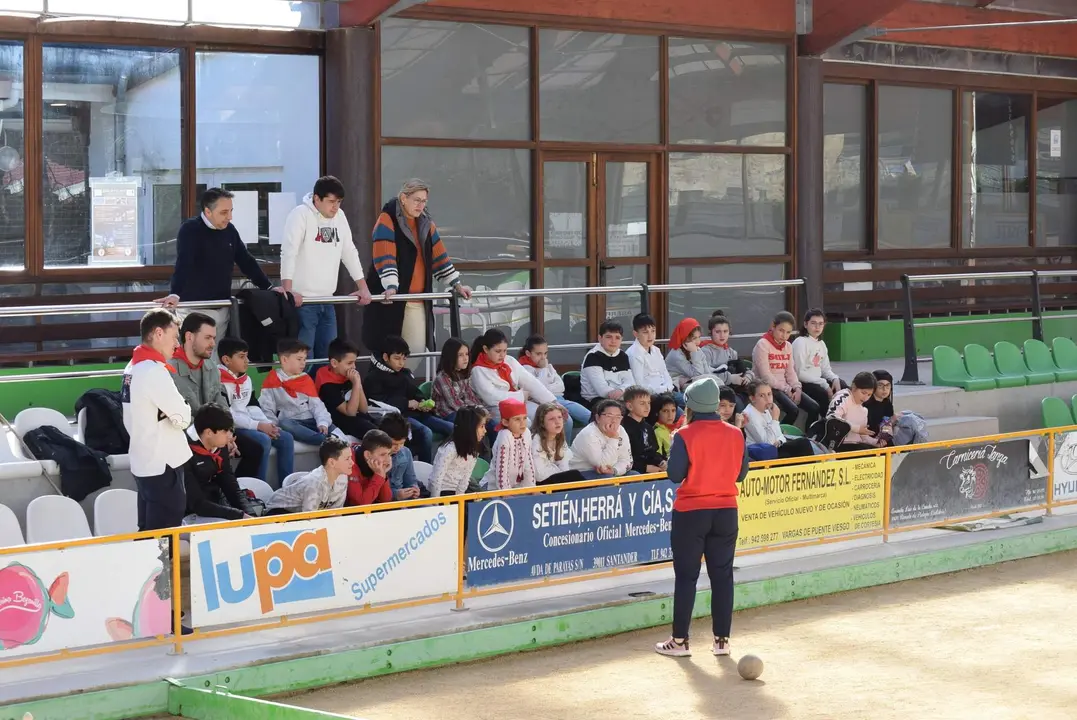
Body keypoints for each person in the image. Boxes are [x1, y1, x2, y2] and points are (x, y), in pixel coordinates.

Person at [654, 377, 749, 659]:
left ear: (691, 405)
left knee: (686, 577)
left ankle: (680, 641)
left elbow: (674, 475)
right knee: (723, 576)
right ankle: (722, 641)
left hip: (692, 512)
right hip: (726, 511)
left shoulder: (684, 435)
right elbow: (741, 474)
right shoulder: (735, 433)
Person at [363, 178, 473, 360]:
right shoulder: (387, 218)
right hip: (393, 298)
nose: (420, 205)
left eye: (424, 201)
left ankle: (404, 384)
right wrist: (391, 286)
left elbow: (440, 256)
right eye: (416, 200)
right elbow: (385, 255)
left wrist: (457, 285)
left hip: (417, 299)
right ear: (403, 198)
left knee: (414, 352)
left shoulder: (426, 223)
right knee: (389, 351)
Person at [157, 187, 280, 338]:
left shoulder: (230, 231)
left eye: (231, 211)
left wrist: (268, 287)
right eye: (224, 212)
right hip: (195, 308)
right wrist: (175, 293)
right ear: (208, 212)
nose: (230, 217)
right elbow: (184, 263)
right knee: (198, 356)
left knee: (215, 356)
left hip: (222, 307)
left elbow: (246, 261)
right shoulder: (191, 229)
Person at [280, 176, 372, 365]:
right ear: (316, 198)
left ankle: (323, 395)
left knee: (329, 360)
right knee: (302, 360)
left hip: (328, 300)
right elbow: (289, 252)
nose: (335, 207)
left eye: (338, 202)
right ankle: (303, 395)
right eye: (331, 201)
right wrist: (288, 290)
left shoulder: (340, 217)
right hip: (302, 302)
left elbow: (349, 252)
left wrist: (363, 287)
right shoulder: (300, 214)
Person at [168, 312, 265, 480]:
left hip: (213, 432)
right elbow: (177, 418)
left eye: (213, 337)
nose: (213, 343)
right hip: (186, 435)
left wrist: (227, 432)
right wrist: (214, 436)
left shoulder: (211, 366)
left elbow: (222, 406)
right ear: (189, 337)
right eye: (207, 338)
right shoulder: (170, 369)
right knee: (218, 451)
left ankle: (238, 492)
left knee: (255, 449)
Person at [122, 309, 193, 531]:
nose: (177, 345)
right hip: (164, 462)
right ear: (159, 333)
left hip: (144, 459)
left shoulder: (131, 367)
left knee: (147, 532)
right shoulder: (153, 371)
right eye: (174, 337)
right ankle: (162, 568)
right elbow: (183, 418)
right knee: (164, 538)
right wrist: (185, 410)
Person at [218, 337, 295, 484]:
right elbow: (228, 414)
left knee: (286, 438)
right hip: (232, 427)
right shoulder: (218, 380)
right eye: (241, 357)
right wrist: (258, 426)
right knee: (263, 441)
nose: (247, 360)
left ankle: (287, 487)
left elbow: (252, 405)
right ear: (226, 360)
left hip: (249, 422)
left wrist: (266, 424)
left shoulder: (245, 379)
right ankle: (259, 487)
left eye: (247, 355)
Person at [364, 335, 451, 463]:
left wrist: (422, 402)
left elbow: (415, 392)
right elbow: (378, 401)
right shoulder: (373, 378)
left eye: (404, 359)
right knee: (425, 432)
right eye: (397, 358)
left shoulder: (404, 373)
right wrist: (407, 403)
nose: (401, 363)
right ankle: (426, 467)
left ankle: (447, 464)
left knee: (452, 428)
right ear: (385, 357)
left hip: (418, 414)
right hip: (399, 418)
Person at [182, 405, 258, 524]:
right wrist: (239, 516)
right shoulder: (183, 451)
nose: (230, 436)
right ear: (209, 433)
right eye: (225, 431)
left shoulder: (218, 444)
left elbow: (229, 482)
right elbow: (196, 503)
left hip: (216, 506)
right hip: (189, 515)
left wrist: (251, 515)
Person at [259, 338, 338, 446]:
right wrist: (272, 426)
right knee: (285, 423)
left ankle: (333, 439)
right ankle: (323, 441)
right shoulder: (272, 380)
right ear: (284, 360)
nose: (303, 363)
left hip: (311, 420)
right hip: (292, 422)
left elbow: (317, 406)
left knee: (331, 427)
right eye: (299, 359)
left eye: (304, 359)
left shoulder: (306, 379)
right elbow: (267, 409)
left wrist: (322, 423)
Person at [470, 329, 557, 424]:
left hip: (519, 402)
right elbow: (491, 397)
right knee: (526, 424)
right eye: (498, 351)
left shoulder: (509, 360)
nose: (502, 355)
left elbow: (530, 382)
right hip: (496, 409)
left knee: (549, 415)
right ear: (486, 349)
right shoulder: (478, 370)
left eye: (505, 350)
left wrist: (552, 401)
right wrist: (520, 395)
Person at [752, 311, 820, 427]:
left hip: (785, 386)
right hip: (768, 387)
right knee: (793, 410)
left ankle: (809, 439)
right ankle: (778, 435)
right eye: (781, 331)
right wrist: (786, 389)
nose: (784, 336)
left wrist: (797, 387)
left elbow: (790, 371)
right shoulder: (762, 344)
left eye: (788, 332)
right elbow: (766, 376)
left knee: (814, 407)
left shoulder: (788, 346)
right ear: (773, 326)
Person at [518, 334, 592, 430]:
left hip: (558, 398)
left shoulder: (548, 366)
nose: (543, 357)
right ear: (528, 353)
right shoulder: (524, 369)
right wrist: (544, 369)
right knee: (567, 421)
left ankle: (600, 428)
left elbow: (561, 386)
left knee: (583, 412)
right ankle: (564, 444)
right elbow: (539, 389)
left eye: (545, 353)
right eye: (538, 354)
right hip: (540, 402)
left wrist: (548, 387)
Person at [264, 437, 352, 515]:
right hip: (279, 511)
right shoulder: (314, 483)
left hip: (301, 515)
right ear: (332, 462)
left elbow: (336, 513)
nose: (352, 463)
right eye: (347, 459)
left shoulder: (343, 477)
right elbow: (309, 519)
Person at [315, 338, 379, 441]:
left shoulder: (347, 375)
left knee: (390, 429)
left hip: (360, 418)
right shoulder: (327, 384)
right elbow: (351, 413)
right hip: (342, 421)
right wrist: (356, 384)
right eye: (349, 363)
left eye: (354, 362)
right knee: (377, 436)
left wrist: (358, 385)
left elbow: (364, 409)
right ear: (334, 363)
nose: (353, 367)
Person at [741, 380, 814, 458]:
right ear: (752, 398)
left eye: (769, 394)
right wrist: (775, 419)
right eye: (762, 395)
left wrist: (779, 441)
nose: (767, 399)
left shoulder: (767, 409)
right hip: (759, 454)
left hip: (774, 448)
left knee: (803, 443)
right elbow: (767, 443)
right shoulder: (749, 414)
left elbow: (780, 435)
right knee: (802, 446)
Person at [792, 308, 846, 410]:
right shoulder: (800, 342)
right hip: (805, 382)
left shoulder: (821, 344)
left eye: (821, 324)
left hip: (818, 380)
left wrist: (835, 378)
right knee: (823, 394)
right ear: (805, 324)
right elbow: (799, 373)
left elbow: (825, 369)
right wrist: (824, 384)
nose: (817, 327)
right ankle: (827, 422)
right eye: (813, 323)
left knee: (843, 387)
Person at [429, 406, 489, 497]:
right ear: (469, 428)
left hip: (457, 493)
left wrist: (459, 501)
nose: (485, 430)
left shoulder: (474, 451)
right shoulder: (450, 449)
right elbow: (436, 479)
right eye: (481, 426)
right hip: (442, 492)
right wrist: (435, 504)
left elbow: (465, 479)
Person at [569, 398, 634, 480]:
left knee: (635, 476)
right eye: (609, 416)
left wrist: (615, 470)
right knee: (607, 479)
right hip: (582, 472)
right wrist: (613, 438)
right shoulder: (589, 434)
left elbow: (627, 460)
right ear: (598, 418)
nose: (614, 421)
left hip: (610, 471)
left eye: (618, 417)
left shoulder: (621, 430)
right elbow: (601, 465)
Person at [483, 398, 537, 491]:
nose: (522, 423)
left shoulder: (526, 433)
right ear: (505, 422)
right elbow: (501, 469)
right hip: (493, 488)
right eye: (517, 419)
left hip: (514, 487)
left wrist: (531, 488)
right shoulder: (504, 436)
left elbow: (528, 462)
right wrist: (506, 493)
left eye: (524, 418)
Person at [701, 314, 750, 411]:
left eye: (725, 331)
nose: (722, 335)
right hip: (716, 391)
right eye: (718, 332)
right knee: (738, 404)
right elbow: (705, 375)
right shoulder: (706, 351)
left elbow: (746, 369)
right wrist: (730, 378)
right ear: (711, 332)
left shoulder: (731, 352)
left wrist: (747, 377)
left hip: (735, 389)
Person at [625, 314, 678, 403]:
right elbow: (639, 384)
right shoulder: (633, 354)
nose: (650, 336)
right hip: (650, 397)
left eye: (653, 331)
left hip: (667, 392)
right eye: (645, 332)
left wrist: (668, 387)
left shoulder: (656, 350)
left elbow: (665, 374)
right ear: (635, 334)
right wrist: (662, 390)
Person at [580, 321, 634, 407]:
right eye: (609, 337)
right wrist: (624, 394)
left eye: (617, 338)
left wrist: (621, 390)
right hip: (595, 400)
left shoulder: (623, 355)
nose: (613, 341)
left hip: (620, 397)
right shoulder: (593, 356)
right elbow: (602, 390)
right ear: (600, 338)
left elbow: (630, 382)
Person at [532, 402, 586, 486]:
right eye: (551, 419)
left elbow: (565, 464)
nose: (557, 422)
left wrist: (563, 475)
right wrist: (561, 473)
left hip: (555, 479)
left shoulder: (559, 437)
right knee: (574, 475)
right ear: (542, 423)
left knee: (574, 476)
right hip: (540, 483)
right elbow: (539, 474)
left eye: (559, 417)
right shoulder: (536, 440)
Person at [718, 386, 776, 462]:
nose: (727, 410)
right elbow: (730, 451)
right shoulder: (712, 424)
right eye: (722, 405)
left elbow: (740, 448)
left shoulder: (733, 422)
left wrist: (740, 427)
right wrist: (737, 428)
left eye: (731, 406)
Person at [830, 372, 881, 452]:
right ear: (854, 387)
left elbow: (863, 437)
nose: (865, 398)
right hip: (838, 445)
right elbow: (832, 418)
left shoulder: (864, 411)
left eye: (869, 395)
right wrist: (856, 429)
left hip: (856, 445)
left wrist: (876, 442)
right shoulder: (843, 398)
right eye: (863, 393)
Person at [666, 318, 721, 391]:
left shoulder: (696, 349)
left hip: (692, 380)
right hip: (679, 383)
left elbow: (706, 371)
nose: (698, 341)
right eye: (694, 338)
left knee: (717, 382)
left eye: (699, 337)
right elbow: (697, 374)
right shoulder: (677, 355)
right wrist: (694, 352)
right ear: (685, 338)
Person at [621, 386, 666, 475]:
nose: (647, 407)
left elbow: (652, 452)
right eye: (642, 403)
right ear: (629, 406)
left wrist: (661, 462)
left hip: (651, 467)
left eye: (648, 403)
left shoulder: (648, 427)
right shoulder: (623, 428)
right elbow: (623, 457)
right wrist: (645, 468)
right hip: (633, 469)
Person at [379, 413, 423, 500]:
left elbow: (410, 480)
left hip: (404, 499)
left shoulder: (406, 452)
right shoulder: (375, 456)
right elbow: (374, 489)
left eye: (402, 443)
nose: (398, 447)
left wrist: (414, 489)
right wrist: (395, 494)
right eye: (394, 444)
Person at [346, 430, 394, 507]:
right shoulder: (349, 462)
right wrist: (379, 476)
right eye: (383, 454)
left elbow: (386, 500)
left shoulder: (377, 464)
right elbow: (359, 504)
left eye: (389, 454)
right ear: (367, 455)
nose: (388, 459)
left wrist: (383, 474)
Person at [651, 394, 684, 459]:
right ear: (657, 413)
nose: (670, 415)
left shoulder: (679, 428)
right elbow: (658, 457)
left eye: (673, 410)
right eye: (665, 411)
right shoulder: (657, 432)